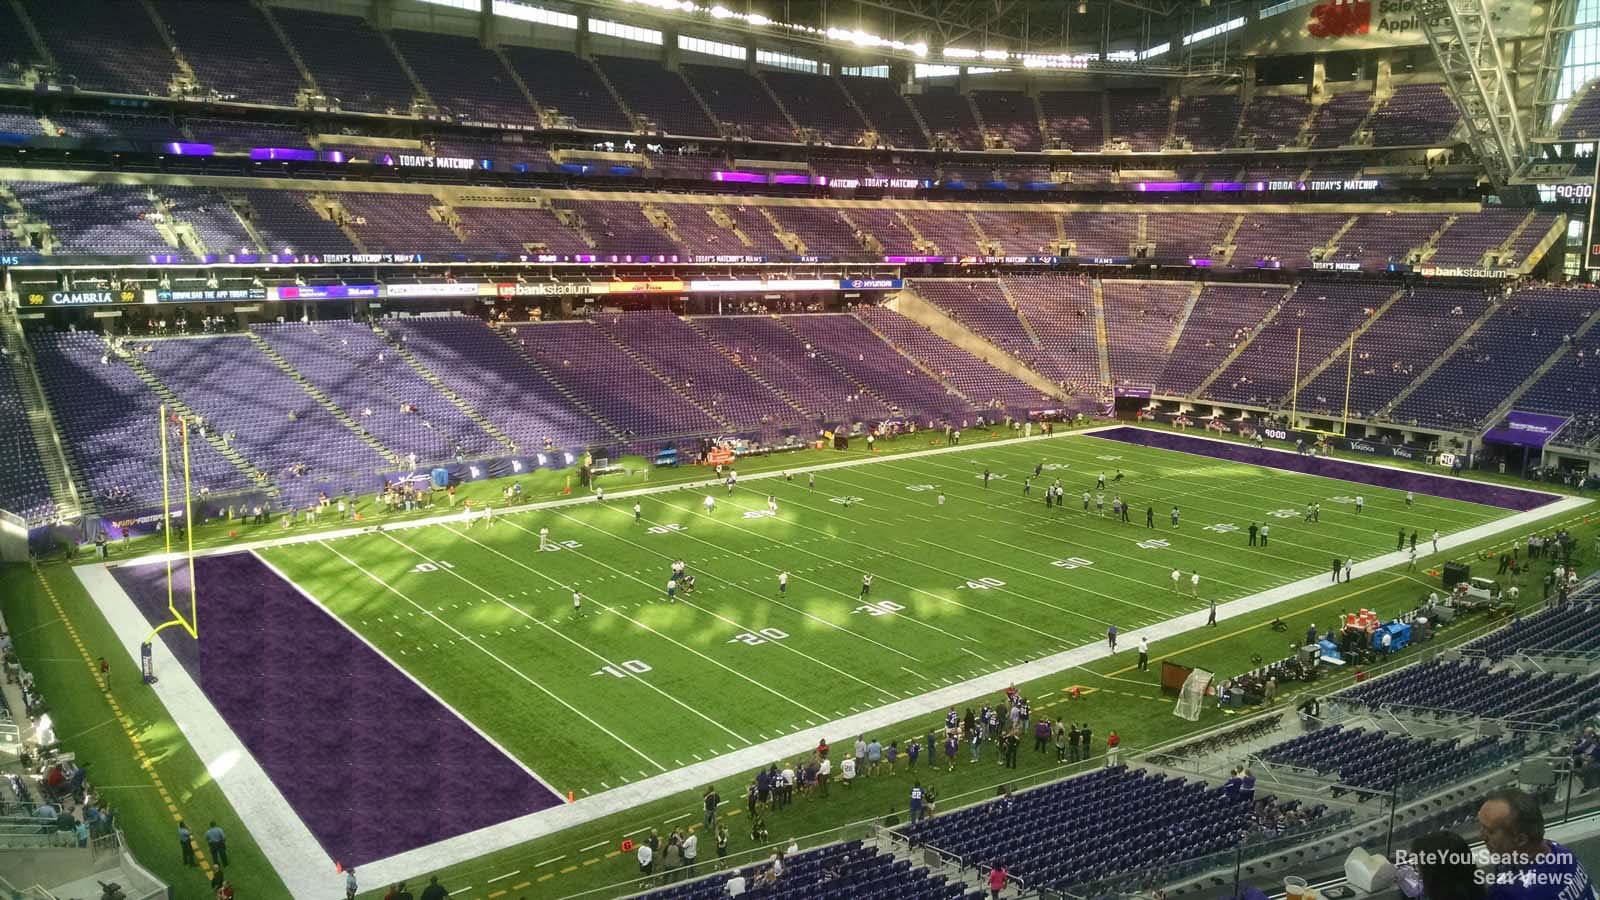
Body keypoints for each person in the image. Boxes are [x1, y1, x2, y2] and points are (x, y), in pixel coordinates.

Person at [1478, 786, 1597, 899]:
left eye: (1490, 831)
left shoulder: (1515, 893)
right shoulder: (1558, 851)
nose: (1482, 835)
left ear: (1521, 840)